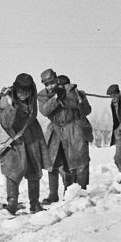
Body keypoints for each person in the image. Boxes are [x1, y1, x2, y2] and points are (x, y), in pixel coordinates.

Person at [0, 72, 48, 214]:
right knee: (13, 171)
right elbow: (6, 123)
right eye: (20, 90)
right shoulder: (6, 98)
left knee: (34, 169)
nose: (23, 94)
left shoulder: (32, 96)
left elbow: (33, 115)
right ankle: (12, 204)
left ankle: (35, 204)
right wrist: (10, 106)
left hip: (32, 135)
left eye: (27, 91)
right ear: (16, 89)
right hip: (13, 138)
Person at [38, 69, 92, 200]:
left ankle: (80, 191)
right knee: (52, 163)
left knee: (79, 161)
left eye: (51, 83)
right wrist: (56, 98)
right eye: (46, 84)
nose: (49, 87)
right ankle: (53, 195)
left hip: (74, 129)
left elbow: (85, 109)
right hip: (55, 131)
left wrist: (74, 96)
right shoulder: (43, 95)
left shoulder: (72, 91)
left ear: (56, 80)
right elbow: (45, 111)